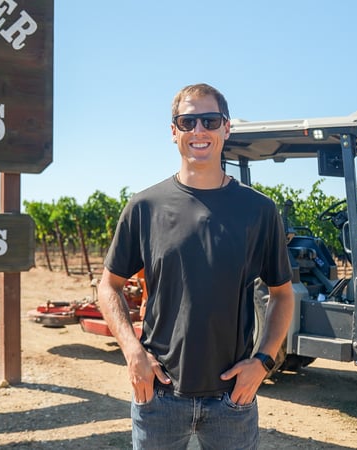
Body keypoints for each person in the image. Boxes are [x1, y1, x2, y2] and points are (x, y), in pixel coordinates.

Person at [97, 83, 295, 450]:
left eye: (210, 120)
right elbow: (108, 285)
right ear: (174, 131)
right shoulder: (145, 207)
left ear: (226, 128)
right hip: (159, 396)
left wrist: (263, 363)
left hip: (232, 400)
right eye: (188, 122)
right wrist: (133, 352)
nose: (199, 130)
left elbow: (282, 295)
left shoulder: (259, 210)